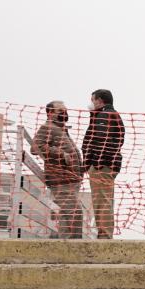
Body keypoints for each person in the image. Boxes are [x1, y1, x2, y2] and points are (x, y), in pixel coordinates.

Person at [32, 100, 84, 239]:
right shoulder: (48, 127)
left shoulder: (61, 129)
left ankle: (66, 249)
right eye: (60, 110)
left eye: (65, 109)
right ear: (50, 113)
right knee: (75, 213)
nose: (64, 112)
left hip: (70, 180)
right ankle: (76, 248)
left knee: (67, 216)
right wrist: (61, 153)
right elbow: (35, 147)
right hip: (61, 180)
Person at [83, 89, 125, 240]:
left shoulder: (104, 115)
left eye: (93, 100)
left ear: (100, 101)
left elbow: (100, 140)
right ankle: (104, 234)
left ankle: (105, 236)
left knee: (102, 201)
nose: (91, 103)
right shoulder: (106, 115)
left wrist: (94, 163)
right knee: (102, 200)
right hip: (107, 164)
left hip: (102, 165)